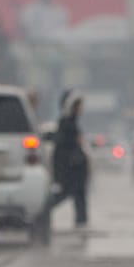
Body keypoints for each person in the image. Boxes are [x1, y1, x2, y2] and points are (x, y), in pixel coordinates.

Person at [47, 91, 90, 230]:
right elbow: (62, 149)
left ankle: (81, 224)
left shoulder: (72, 123)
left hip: (75, 169)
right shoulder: (66, 124)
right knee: (64, 194)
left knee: (77, 197)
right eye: (79, 106)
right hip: (71, 169)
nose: (81, 109)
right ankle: (41, 213)